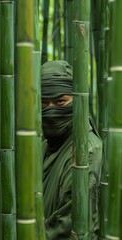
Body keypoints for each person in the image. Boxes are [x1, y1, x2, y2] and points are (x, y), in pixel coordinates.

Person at [41, 60, 102, 240]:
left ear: (77, 100)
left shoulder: (86, 155)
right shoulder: (44, 145)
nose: (51, 111)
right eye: (43, 104)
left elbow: (69, 230)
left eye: (60, 101)